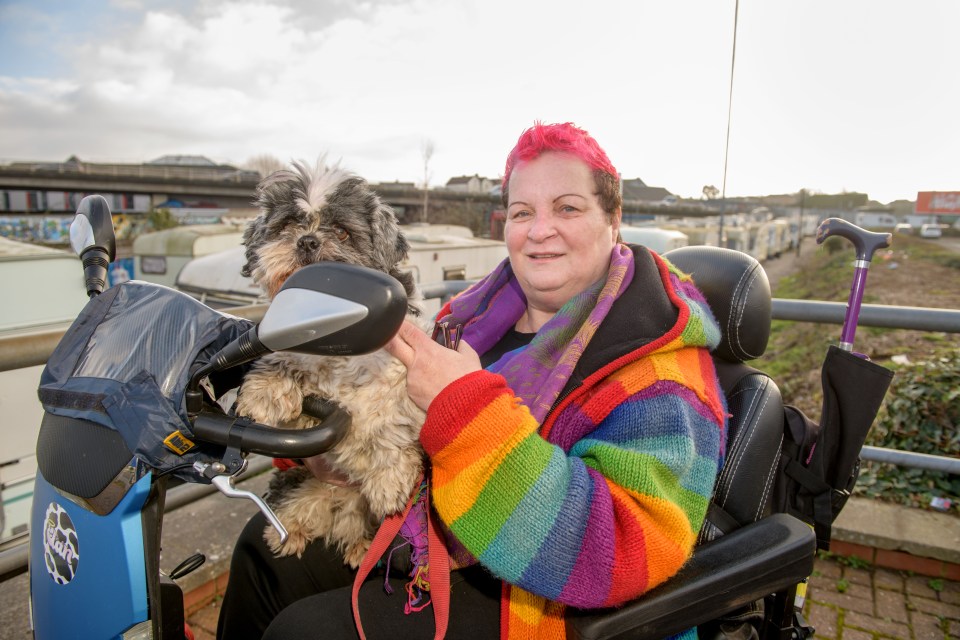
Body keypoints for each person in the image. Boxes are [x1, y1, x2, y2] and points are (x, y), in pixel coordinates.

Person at [217, 121, 727, 640]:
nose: (539, 229)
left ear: (614, 219)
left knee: (305, 633)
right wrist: (319, 445)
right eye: (523, 212)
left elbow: (618, 552)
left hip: (538, 597)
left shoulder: (661, 374)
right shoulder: (468, 316)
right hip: (427, 530)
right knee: (261, 553)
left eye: (567, 208)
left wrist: (464, 408)